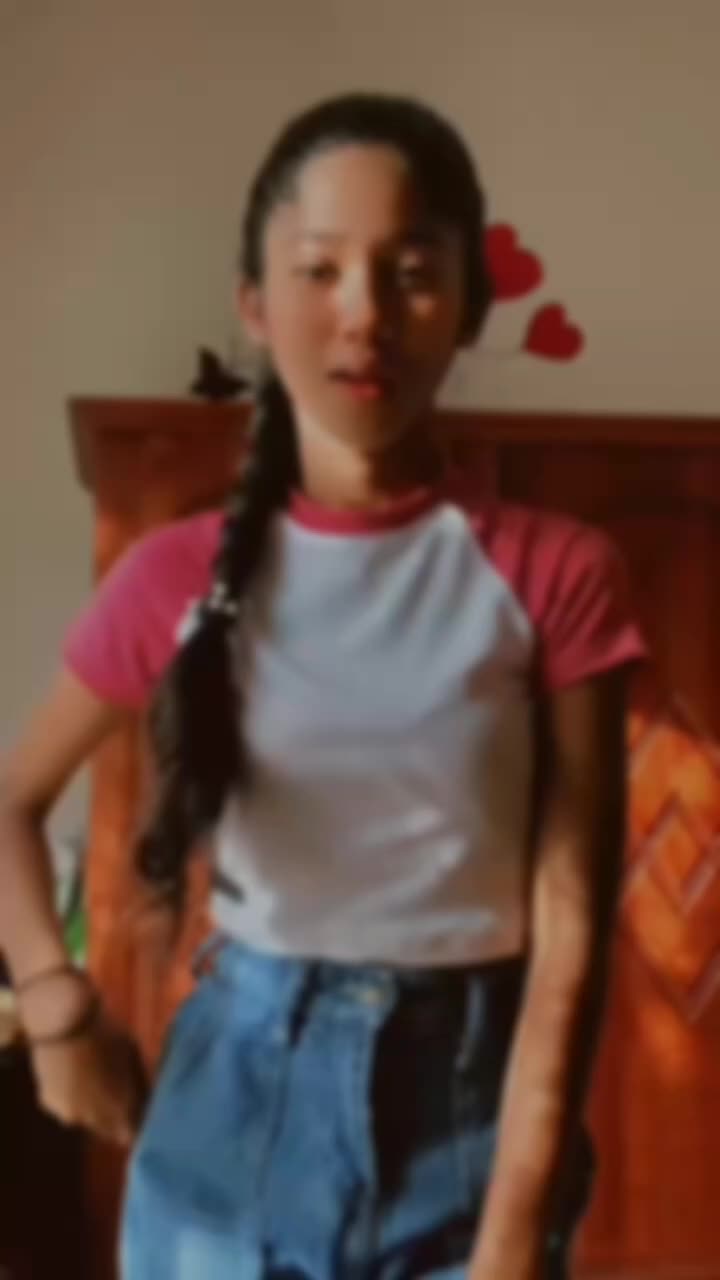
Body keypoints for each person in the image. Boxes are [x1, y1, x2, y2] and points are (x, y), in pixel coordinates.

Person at [0, 93, 647, 1279]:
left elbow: (572, 926)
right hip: (229, 1104)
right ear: (255, 303)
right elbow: (10, 802)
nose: (365, 315)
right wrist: (54, 1005)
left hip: (471, 1116)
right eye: (319, 269)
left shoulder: (555, 571)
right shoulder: (175, 573)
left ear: (470, 305)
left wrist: (514, 1218)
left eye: (412, 273)